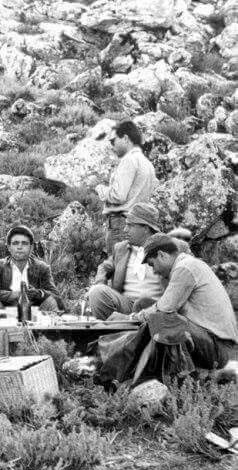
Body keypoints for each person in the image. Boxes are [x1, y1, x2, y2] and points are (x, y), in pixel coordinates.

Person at [95, 233, 238, 386]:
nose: (154, 271)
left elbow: (164, 310)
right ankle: (130, 366)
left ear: (162, 255)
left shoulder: (185, 268)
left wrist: (129, 318)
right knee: (144, 304)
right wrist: (137, 314)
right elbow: (161, 306)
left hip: (219, 349)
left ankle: (178, 377)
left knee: (163, 319)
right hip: (208, 340)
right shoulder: (187, 265)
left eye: (152, 264)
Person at [88, 203, 165, 320]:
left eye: (130, 225)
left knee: (147, 303)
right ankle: (118, 329)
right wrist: (99, 282)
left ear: (145, 228)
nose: (125, 229)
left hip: (156, 307)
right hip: (127, 305)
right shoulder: (121, 248)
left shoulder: (168, 247)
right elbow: (104, 267)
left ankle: (128, 329)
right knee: (97, 292)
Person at [95, 120, 158, 254]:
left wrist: (101, 190)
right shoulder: (147, 164)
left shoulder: (129, 160)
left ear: (125, 138)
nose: (112, 146)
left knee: (117, 267)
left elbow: (118, 196)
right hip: (139, 226)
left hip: (121, 225)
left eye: (113, 141)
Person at [0, 225, 63, 311]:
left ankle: (52, 324)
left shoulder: (42, 267)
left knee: (51, 301)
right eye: (15, 243)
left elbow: (56, 296)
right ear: (9, 247)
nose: (19, 247)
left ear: (31, 248)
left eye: (24, 243)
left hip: (34, 313)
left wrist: (39, 293)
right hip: (5, 311)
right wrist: (17, 294)